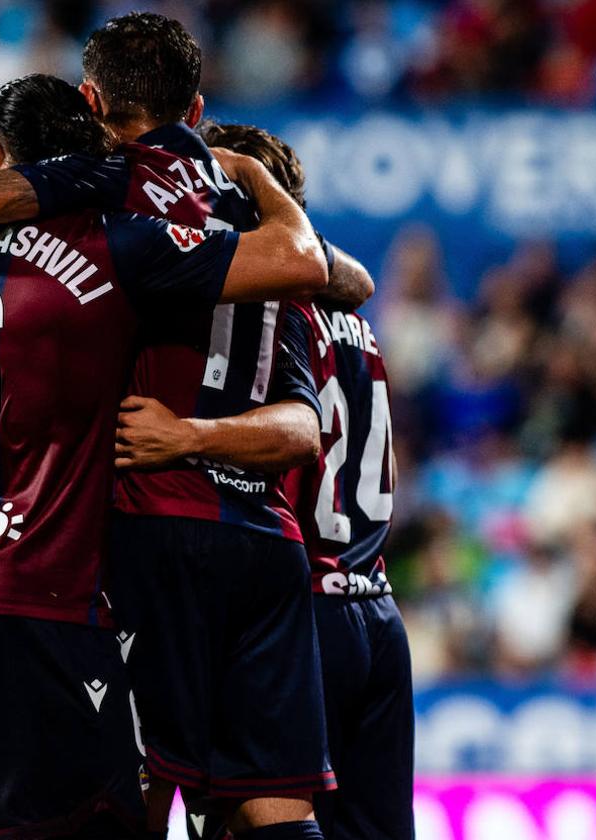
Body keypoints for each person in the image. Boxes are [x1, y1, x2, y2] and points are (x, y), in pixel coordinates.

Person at [0, 16, 363, 840]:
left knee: (124, 799)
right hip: (257, 533)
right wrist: (254, 174)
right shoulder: (218, 206)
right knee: (268, 804)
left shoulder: (88, 195)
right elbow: (331, 278)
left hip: (74, 545)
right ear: (195, 103)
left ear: (89, 102)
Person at [117, 124, 414, 840]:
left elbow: (298, 436)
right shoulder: (355, 321)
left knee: (231, 813)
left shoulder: (268, 307)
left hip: (295, 603)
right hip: (375, 604)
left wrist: (188, 437)